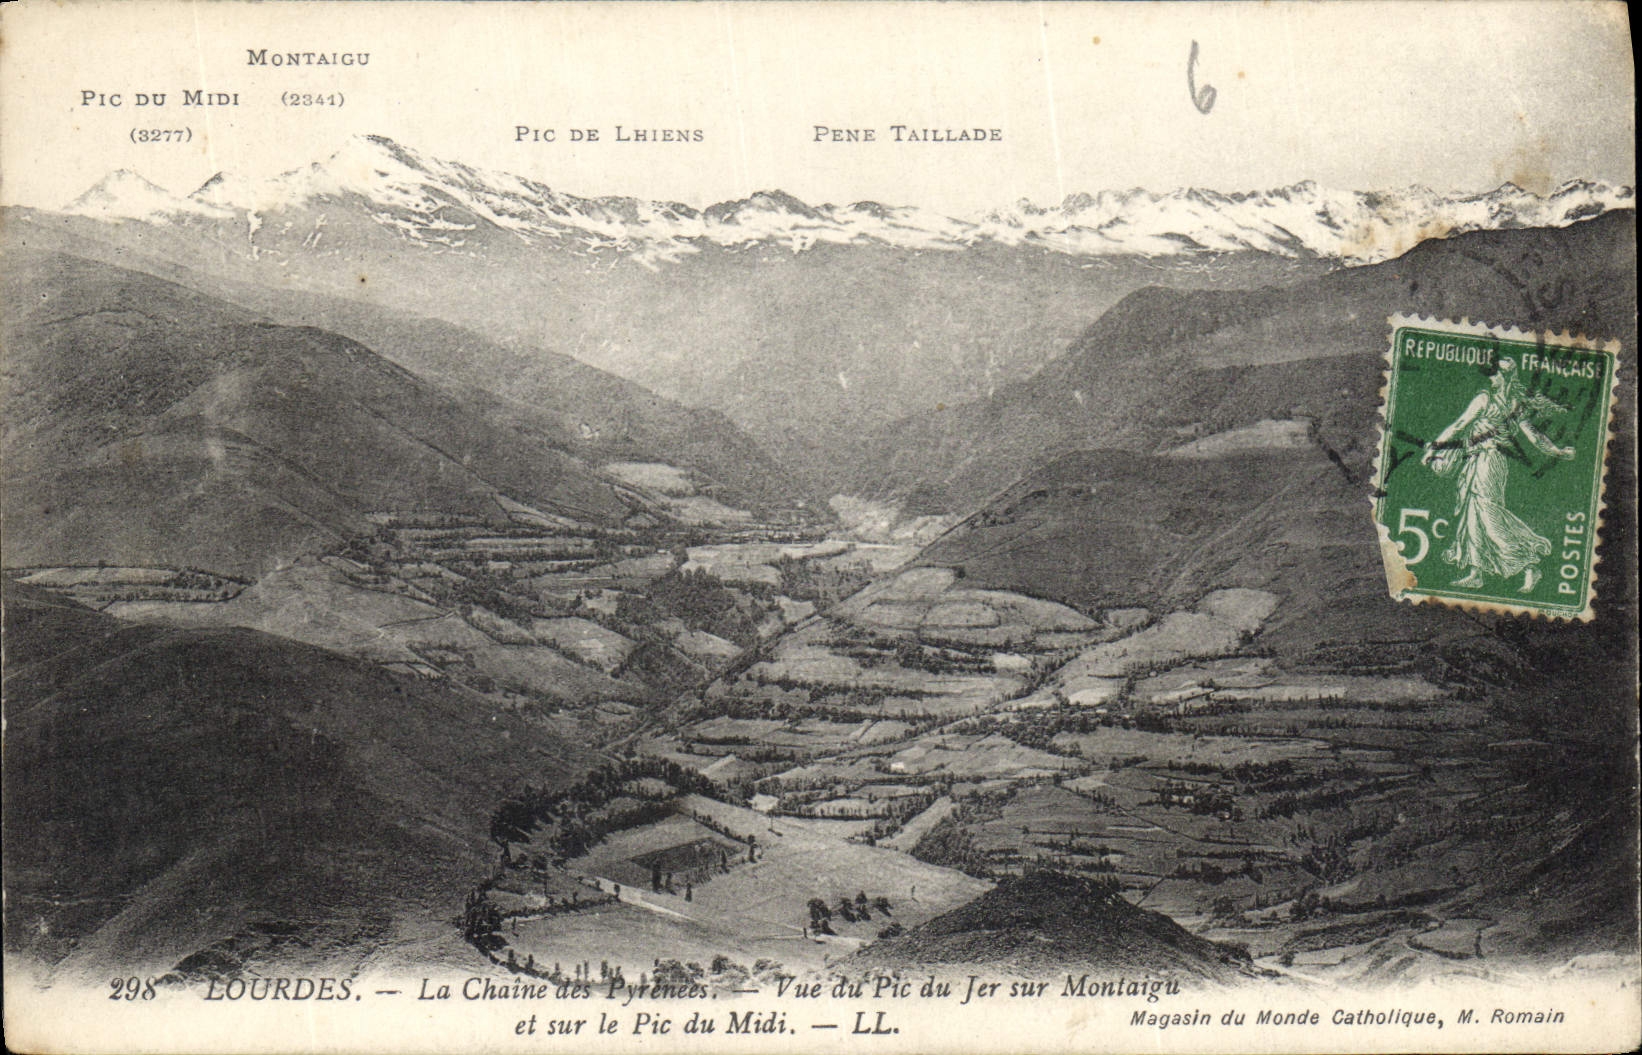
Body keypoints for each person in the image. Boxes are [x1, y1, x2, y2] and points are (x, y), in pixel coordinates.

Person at [1422, 358, 1573, 592]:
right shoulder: (1509, 403)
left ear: (1506, 376)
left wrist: (1434, 448)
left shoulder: (1491, 400)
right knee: (1473, 514)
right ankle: (1476, 573)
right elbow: (1533, 436)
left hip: (1488, 461)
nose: (1491, 376)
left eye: (1495, 373)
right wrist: (1558, 451)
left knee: (1488, 514)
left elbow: (1460, 425)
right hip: (1483, 461)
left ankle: (1529, 565)